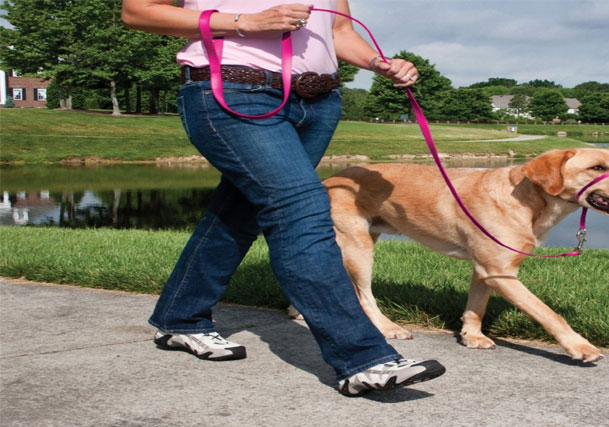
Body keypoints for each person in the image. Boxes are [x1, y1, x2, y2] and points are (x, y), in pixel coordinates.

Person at [121, 0, 445, 396]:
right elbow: (137, 12)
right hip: (234, 92)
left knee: (239, 214)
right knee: (302, 211)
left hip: (317, 103)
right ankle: (363, 359)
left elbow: (339, 32)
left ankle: (180, 318)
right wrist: (245, 23)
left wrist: (377, 62)